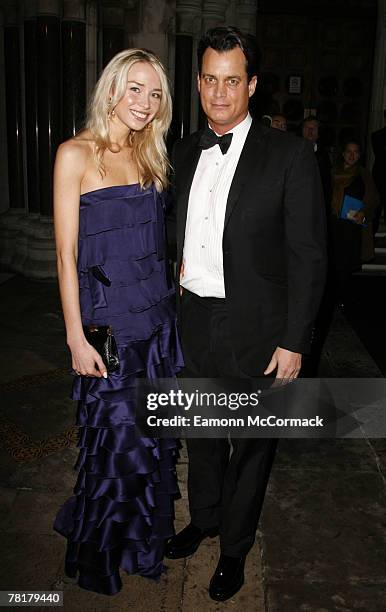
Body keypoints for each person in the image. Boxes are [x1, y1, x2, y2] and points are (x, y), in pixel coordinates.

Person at [165, 27, 326, 601]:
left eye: (232, 81)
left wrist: (295, 340)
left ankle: (234, 548)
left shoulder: (290, 155)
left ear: (252, 85)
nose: (218, 93)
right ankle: (205, 518)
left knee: (251, 444)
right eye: (209, 79)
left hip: (259, 327)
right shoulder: (183, 150)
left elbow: (309, 256)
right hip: (195, 320)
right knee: (203, 435)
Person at [53, 49, 184, 595]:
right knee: (110, 446)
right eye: (135, 89)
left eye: (155, 94)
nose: (145, 103)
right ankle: (96, 554)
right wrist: (75, 337)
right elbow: (65, 255)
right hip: (107, 330)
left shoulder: (151, 154)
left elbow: (152, 240)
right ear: (111, 89)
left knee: (148, 447)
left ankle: (138, 543)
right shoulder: (75, 154)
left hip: (157, 326)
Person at [331, 139, 379, 305]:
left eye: (356, 152)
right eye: (349, 152)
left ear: (359, 155)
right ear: (343, 154)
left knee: (345, 265)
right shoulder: (332, 172)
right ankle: (330, 298)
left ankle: (342, 300)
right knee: (331, 263)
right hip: (333, 225)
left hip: (352, 228)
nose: (352, 155)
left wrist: (364, 213)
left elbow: (373, 199)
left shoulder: (364, 174)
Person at [301, 115, 332, 211]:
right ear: (302, 130)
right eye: (307, 128)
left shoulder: (324, 155)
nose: (310, 131)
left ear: (318, 132)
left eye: (314, 128)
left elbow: (326, 182)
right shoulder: (293, 151)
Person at [371, 109, 386, 234]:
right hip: (380, 178)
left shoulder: (377, 136)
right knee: (375, 211)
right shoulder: (377, 136)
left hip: (380, 176)